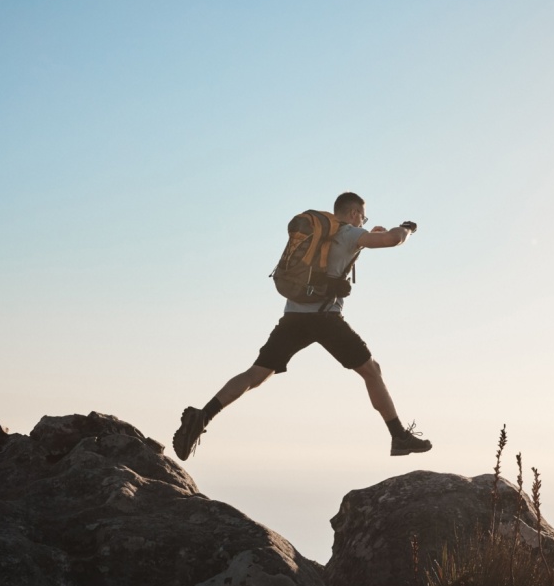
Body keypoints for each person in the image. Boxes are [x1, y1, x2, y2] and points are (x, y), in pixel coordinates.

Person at [172, 191, 432, 460]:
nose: (362, 221)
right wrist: (406, 229)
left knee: (256, 375)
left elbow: (351, 247)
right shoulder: (349, 234)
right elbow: (392, 240)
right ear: (354, 213)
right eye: (362, 216)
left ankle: (202, 417)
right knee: (372, 371)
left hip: (294, 316)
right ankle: (399, 436)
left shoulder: (324, 234)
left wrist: (367, 234)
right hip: (325, 319)